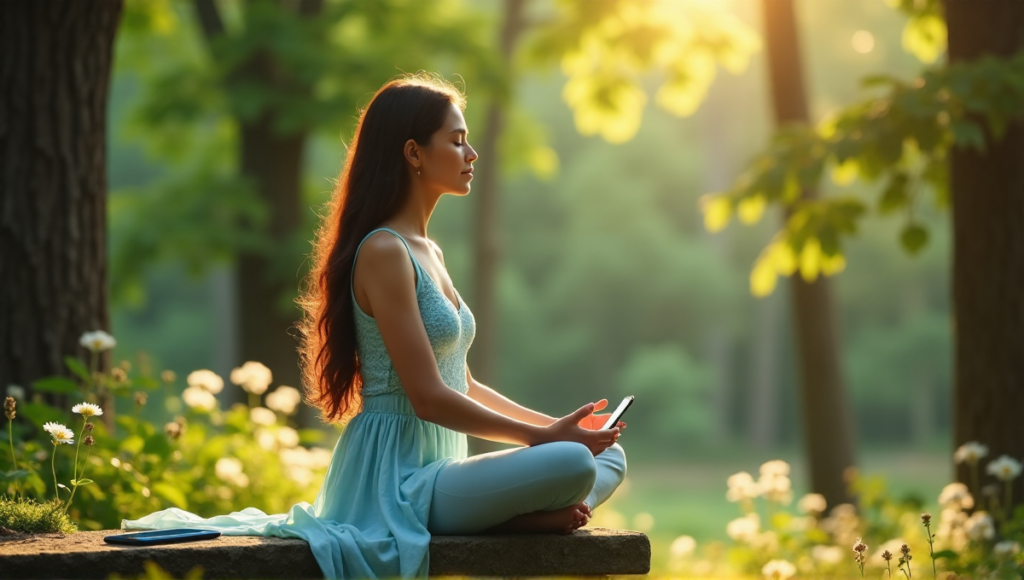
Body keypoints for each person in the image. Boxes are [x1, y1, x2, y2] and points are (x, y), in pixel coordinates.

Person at [123, 73, 627, 579]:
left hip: (445, 466)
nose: (471, 153)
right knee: (573, 465)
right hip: (399, 478)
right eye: (456, 141)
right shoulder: (384, 250)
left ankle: (524, 517)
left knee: (608, 455)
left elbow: (463, 382)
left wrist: (564, 427)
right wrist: (544, 439)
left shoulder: (430, 251)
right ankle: (520, 520)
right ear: (413, 152)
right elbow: (428, 397)